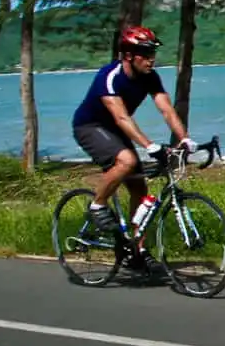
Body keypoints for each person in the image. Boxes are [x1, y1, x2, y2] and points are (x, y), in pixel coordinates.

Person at [71, 26, 196, 270]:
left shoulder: (150, 76)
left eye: (152, 54)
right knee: (126, 162)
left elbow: (166, 110)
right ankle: (98, 204)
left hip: (116, 131)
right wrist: (149, 145)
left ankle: (137, 251)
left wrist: (185, 139)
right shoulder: (110, 76)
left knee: (139, 187)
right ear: (128, 55)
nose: (151, 60)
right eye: (145, 54)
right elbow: (121, 118)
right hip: (90, 126)